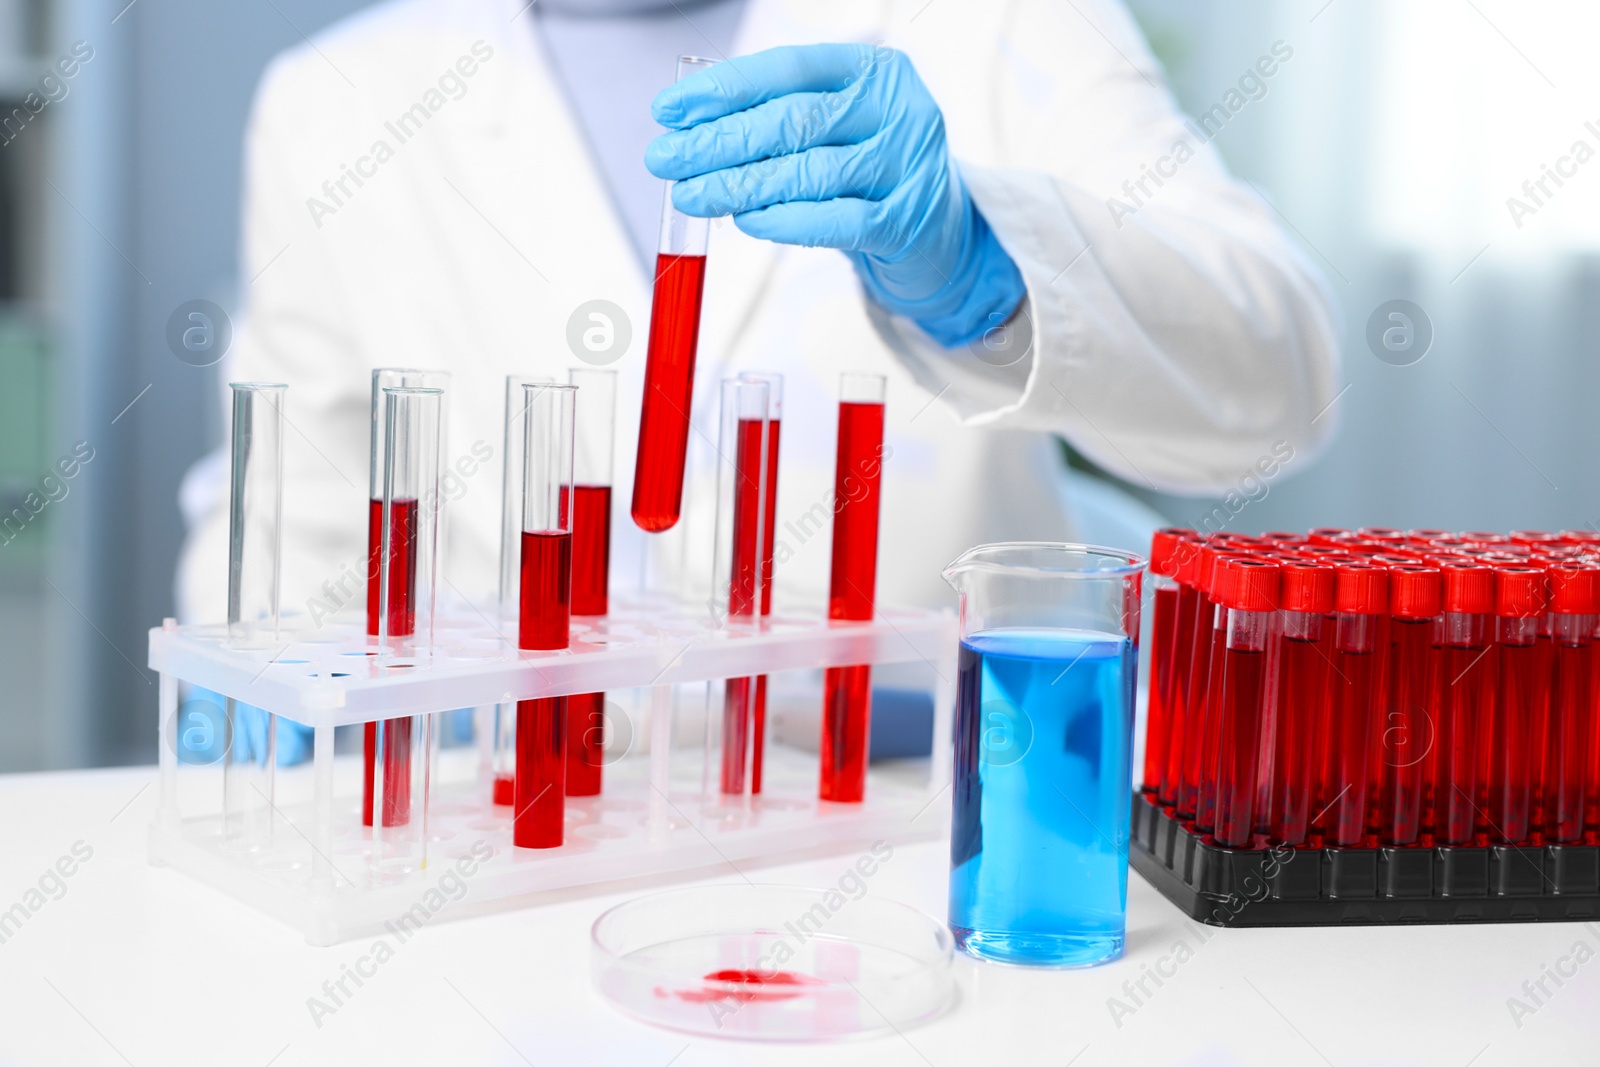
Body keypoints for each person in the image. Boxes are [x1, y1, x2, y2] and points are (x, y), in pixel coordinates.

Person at [176, 0, 1339, 758]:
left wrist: (984, 267)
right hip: (505, 834)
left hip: (914, 822)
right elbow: (293, 517)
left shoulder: (996, 23)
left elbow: (1277, 382)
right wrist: (265, 686)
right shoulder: (336, 100)